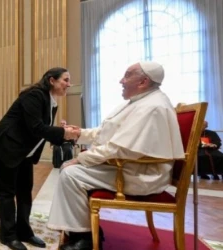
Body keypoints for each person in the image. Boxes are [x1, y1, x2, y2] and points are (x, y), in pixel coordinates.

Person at [47, 62, 185, 250]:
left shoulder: (151, 107)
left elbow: (120, 148)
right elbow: (107, 132)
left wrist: (80, 159)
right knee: (72, 170)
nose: (121, 80)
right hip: (130, 166)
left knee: (71, 174)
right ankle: (82, 229)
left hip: (140, 174)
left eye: (127, 76)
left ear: (144, 81)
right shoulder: (141, 102)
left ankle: (85, 238)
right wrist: (80, 133)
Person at [0, 67, 76, 250]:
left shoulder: (51, 101)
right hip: (7, 147)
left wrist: (62, 133)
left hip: (24, 152)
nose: (69, 84)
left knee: (25, 192)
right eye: (65, 80)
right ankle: (8, 235)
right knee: (6, 194)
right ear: (52, 80)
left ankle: (24, 232)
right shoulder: (35, 95)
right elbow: (36, 127)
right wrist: (64, 133)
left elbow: (38, 131)